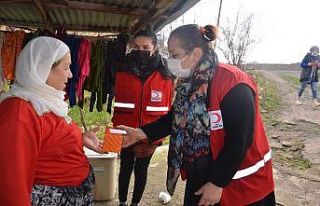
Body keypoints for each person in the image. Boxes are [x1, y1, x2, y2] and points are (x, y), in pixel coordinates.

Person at [119, 24, 275, 206]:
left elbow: (240, 140)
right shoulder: (188, 83)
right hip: (200, 171)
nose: (170, 60)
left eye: (175, 55)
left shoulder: (233, 83)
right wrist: (140, 133)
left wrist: (217, 182)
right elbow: (175, 118)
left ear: (195, 54)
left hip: (241, 182)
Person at [0, 36, 102, 206]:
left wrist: (79, 139)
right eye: (66, 67)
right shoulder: (20, 111)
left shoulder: (45, 101)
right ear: (44, 69)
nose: (70, 74)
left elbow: (48, 139)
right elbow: (12, 183)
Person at [112, 29, 174, 206]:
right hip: (125, 128)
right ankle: (122, 202)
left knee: (141, 170)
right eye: (136, 46)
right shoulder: (122, 67)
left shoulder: (166, 71)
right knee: (124, 168)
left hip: (150, 130)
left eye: (145, 47)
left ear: (154, 47)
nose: (140, 50)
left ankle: (135, 203)